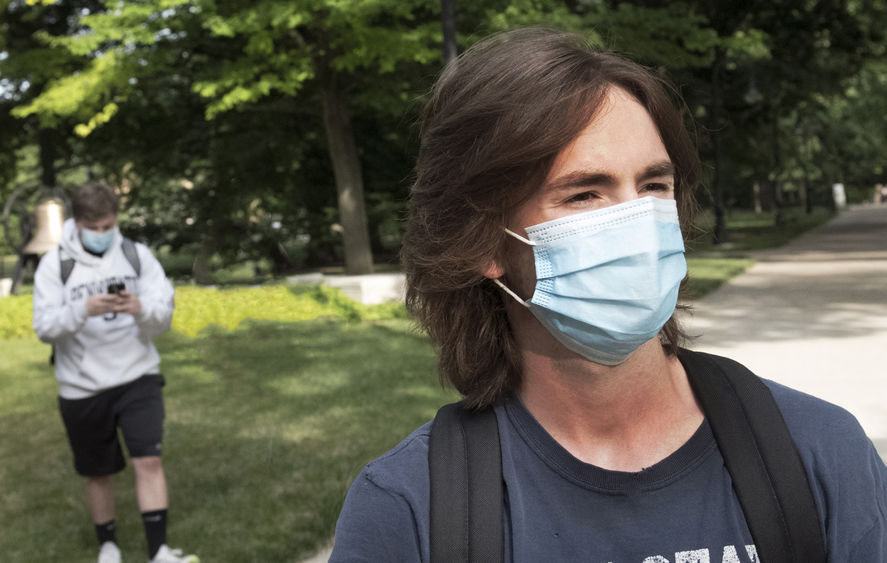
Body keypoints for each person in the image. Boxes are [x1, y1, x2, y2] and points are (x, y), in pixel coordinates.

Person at [330, 27, 887, 561]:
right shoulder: (409, 509)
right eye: (585, 194)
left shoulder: (817, 451)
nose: (639, 223)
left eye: (653, 186)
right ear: (483, 244)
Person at [32, 182, 197, 563]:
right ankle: (108, 545)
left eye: (109, 226)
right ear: (78, 222)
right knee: (97, 471)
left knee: (149, 460)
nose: (104, 234)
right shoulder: (54, 265)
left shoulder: (136, 255)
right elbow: (45, 327)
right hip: (81, 388)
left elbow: (164, 317)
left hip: (138, 375)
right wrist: (83, 309)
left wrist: (140, 307)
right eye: (96, 227)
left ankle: (159, 551)